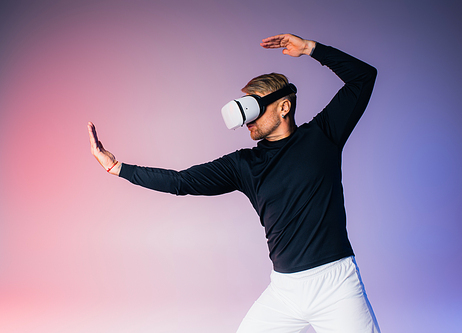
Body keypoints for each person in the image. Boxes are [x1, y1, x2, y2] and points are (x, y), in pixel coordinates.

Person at [88, 33, 380, 333]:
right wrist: (118, 167)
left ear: (284, 107)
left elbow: (363, 77)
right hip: (285, 290)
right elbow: (181, 181)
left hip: (336, 285)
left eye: (254, 108)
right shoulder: (244, 165)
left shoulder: (322, 136)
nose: (247, 120)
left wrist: (310, 49)